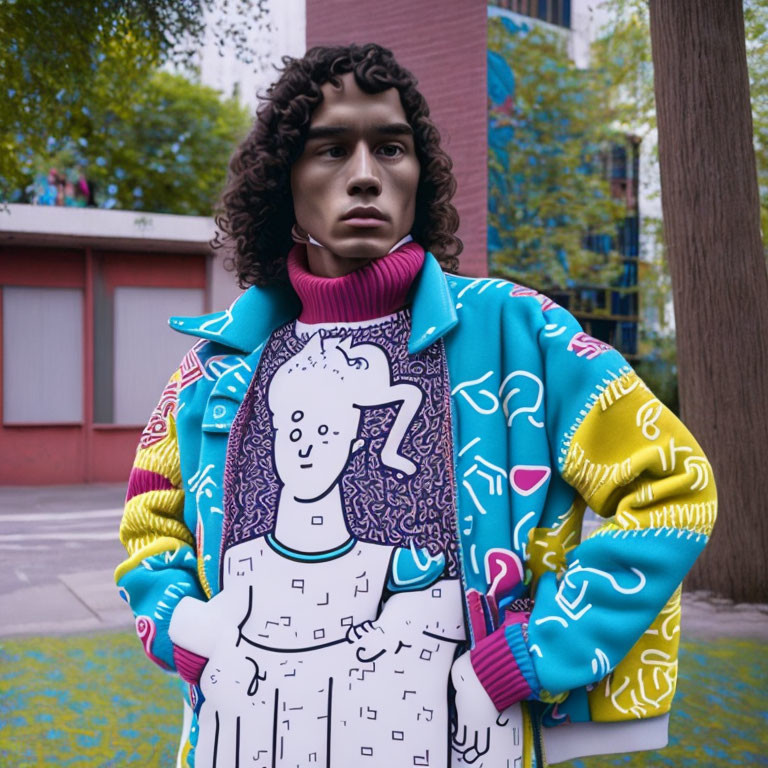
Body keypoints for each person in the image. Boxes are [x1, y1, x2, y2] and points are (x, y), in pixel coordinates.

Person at [115, 43, 717, 768]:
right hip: (243, 739)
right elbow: (148, 522)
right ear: (286, 180)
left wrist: (527, 657)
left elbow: (673, 484)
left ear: (418, 172)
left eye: (390, 147)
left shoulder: (519, 334)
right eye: (330, 150)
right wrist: (191, 626)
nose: (365, 175)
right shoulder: (216, 366)